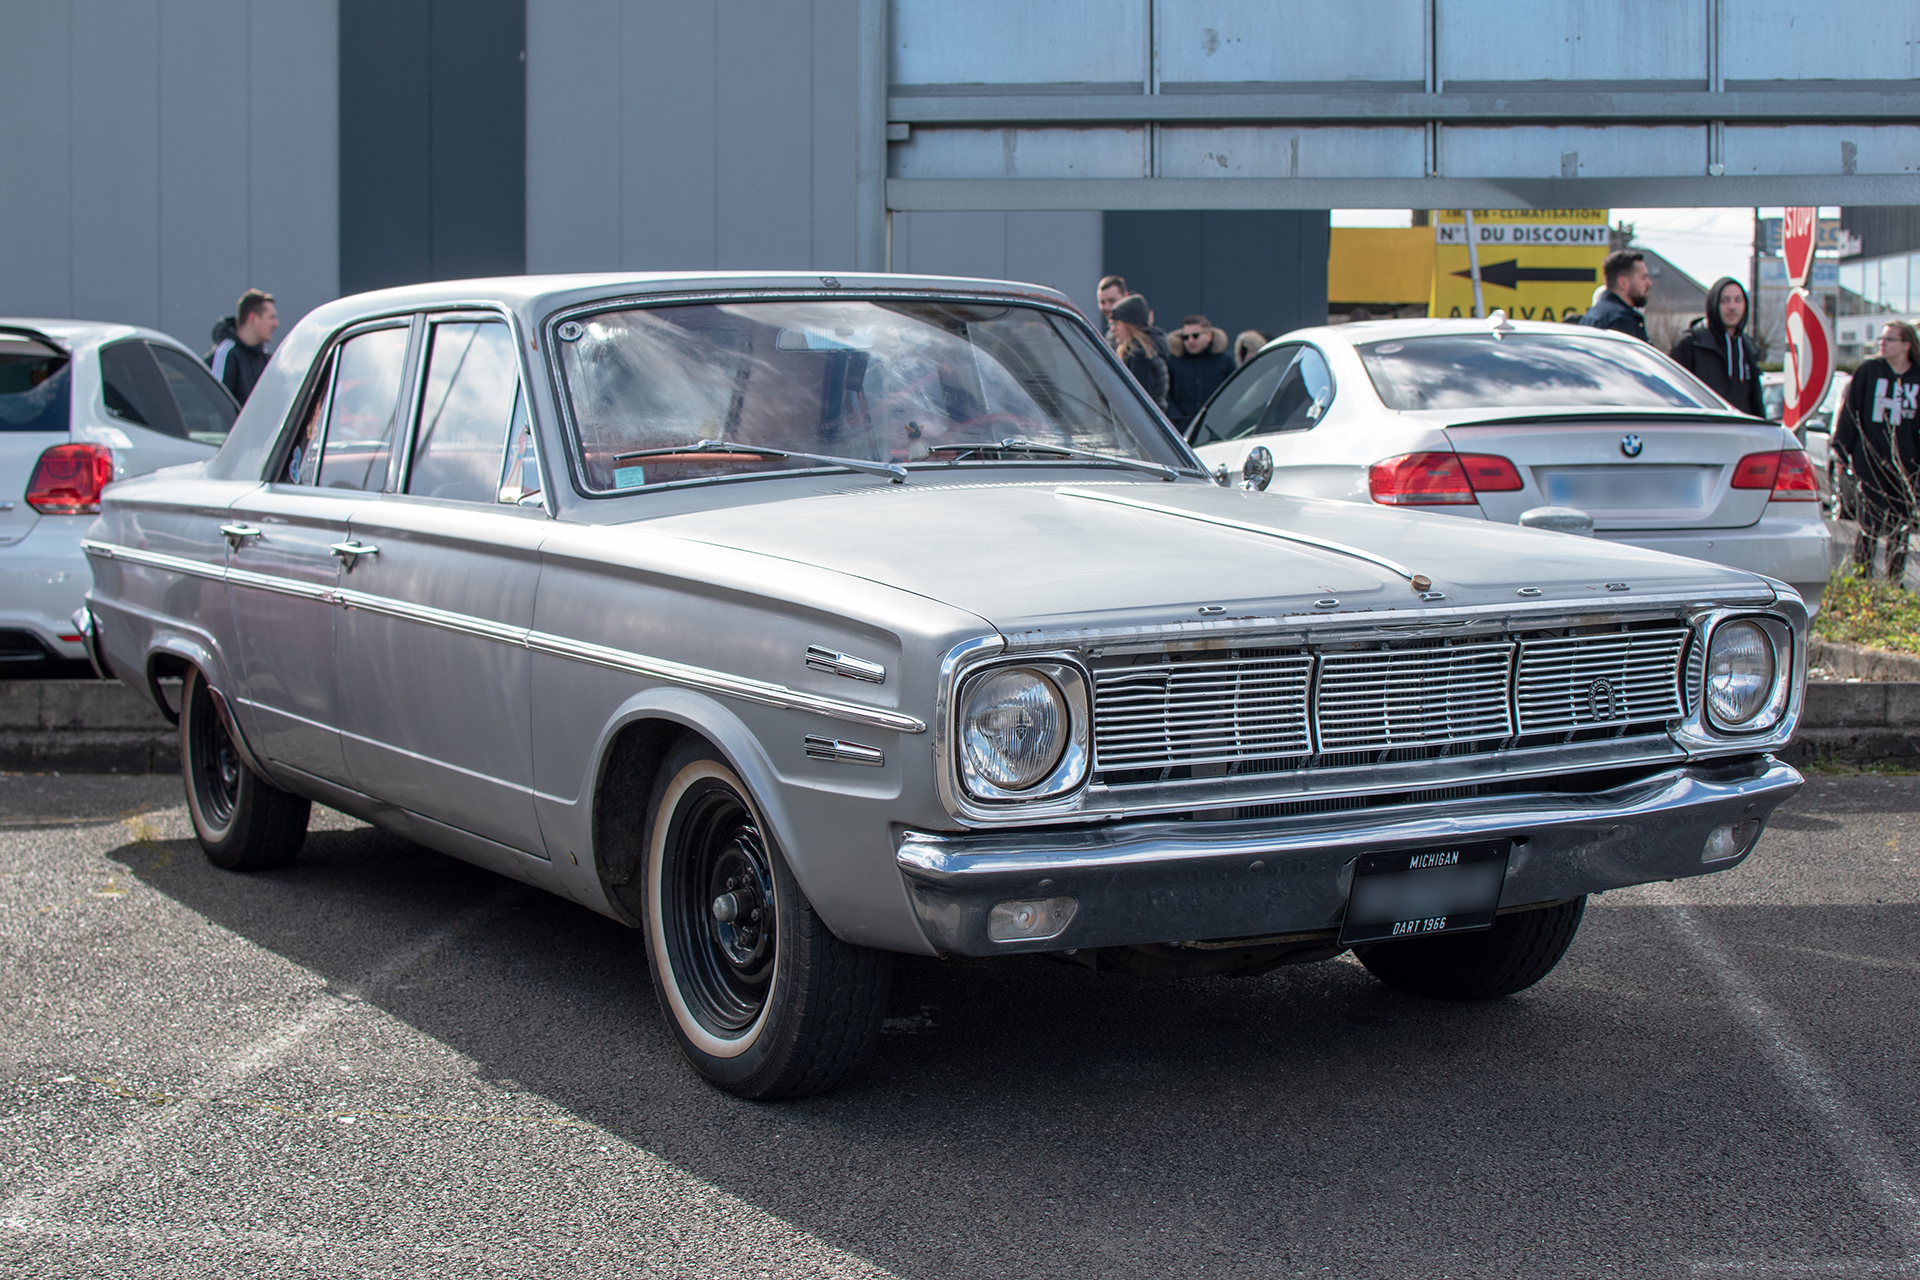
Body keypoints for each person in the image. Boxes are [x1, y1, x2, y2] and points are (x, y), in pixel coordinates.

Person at [1834, 320, 1920, 582]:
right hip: (1869, 461)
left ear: (1906, 344)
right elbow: (1850, 412)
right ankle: (1863, 578)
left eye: (1890, 339)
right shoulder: (1869, 371)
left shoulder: (1917, 377)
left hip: (1907, 465)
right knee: (1869, 523)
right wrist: (1841, 450)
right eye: (1881, 339)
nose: (1882, 343)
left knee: (1900, 524)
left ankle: (1894, 581)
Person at [1668, 277, 1764, 416]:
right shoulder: (1691, 344)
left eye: (1738, 300)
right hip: (1702, 431)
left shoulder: (1748, 348)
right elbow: (1671, 395)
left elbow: (1755, 402)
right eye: (1724, 300)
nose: (1732, 307)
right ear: (1714, 304)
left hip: (1740, 433)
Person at [205, 289, 278, 404]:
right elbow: (215, 407)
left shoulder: (266, 359)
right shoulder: (225, 354)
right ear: (253, 318)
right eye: (271, 317)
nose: (276, 324)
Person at [1166, 314, 1235, 429]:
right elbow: (1166, 395)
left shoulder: (1224, 361)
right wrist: (1177, 418)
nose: (1190, 341)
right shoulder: (1173, 362)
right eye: (1185, 337)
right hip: (1182, 429)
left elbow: (1234, 392)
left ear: (1209, 336)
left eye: (1195, 336)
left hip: (1217, 426)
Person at [1108, 293, 1169, 413]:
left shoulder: (1139, 357)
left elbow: (1139, 406)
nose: (1112, 329)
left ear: (1130, 324)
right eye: (1111, 324)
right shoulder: (1146, 352)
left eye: (1116, 323)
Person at [1580, 250, 1652, 342]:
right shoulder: (1621, 320)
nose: (1649, 283)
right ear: (1623, 282)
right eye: (1643, 277)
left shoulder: (1592, 314)